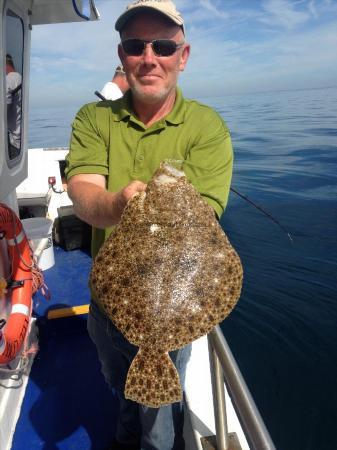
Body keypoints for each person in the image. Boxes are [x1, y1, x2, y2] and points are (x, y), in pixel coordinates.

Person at [65, 1, 234, 449]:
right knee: (118, 385)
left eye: (163, 45)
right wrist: (119, 205)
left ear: (183, 55)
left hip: (173, 306)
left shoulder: (207, 127)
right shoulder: (93, 118)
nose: (149, 57)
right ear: (121, 55)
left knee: (159, 424)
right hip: (108, 300)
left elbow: (208, 217)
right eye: (136, 45)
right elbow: (82, 193)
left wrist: (159, 206)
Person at [6, 54, 22, 159]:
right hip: (21, 139)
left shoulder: (8, 79)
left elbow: (3, 111)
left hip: (13, 141)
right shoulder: (21, 77)